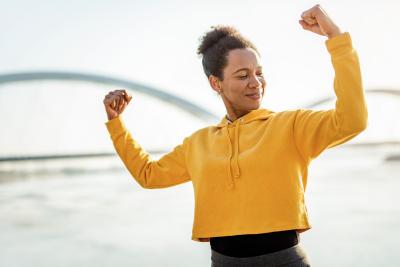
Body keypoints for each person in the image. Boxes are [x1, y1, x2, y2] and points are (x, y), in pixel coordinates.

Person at [103, 4, 368, 267]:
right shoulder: (198, 143)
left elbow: (352, 120)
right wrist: (117, 124)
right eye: (243, 75)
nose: (256, 83)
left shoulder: (291, 126)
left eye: (259, 73)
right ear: (215, 83)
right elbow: (149, 176)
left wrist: (336, 37)